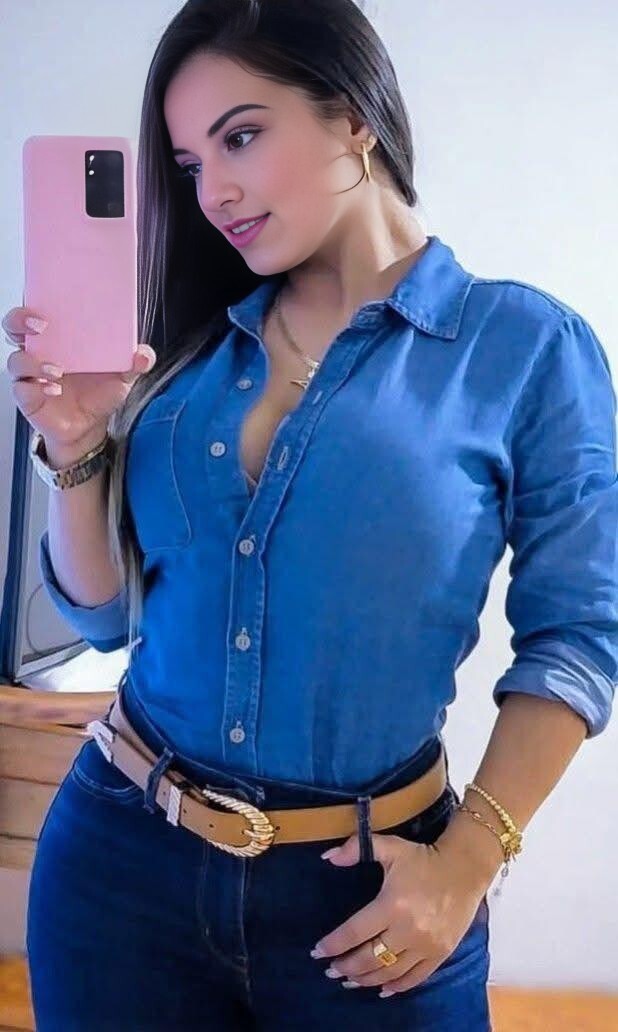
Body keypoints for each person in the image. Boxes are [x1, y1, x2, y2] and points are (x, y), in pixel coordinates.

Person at [5, 1, 617, 1028]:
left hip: (372, 900)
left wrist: (467, 863)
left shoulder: (525, 349)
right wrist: (73, 448)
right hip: (118, 867)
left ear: (354, 114)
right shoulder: (192, 351)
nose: (214, 191)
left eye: (241, 137)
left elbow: (580, 636)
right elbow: (103, 618)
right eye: (191, 164)